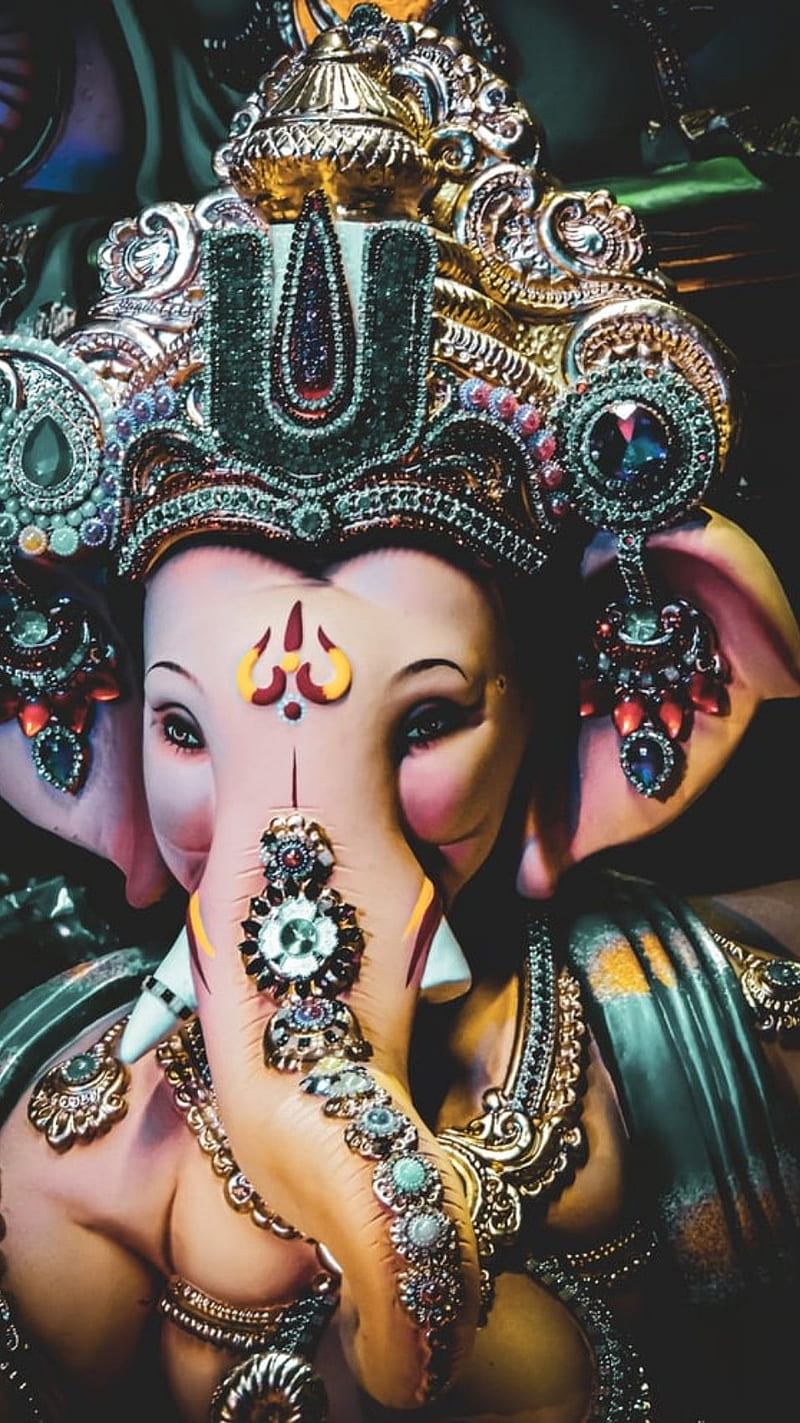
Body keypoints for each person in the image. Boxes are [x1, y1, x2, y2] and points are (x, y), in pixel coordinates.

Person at [1, 6, 799, 1420]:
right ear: (88, 745)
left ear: (600, 726)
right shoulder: (76, 1142)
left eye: (425, 725)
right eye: (189, 734)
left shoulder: (695, 1029)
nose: (293, 857)